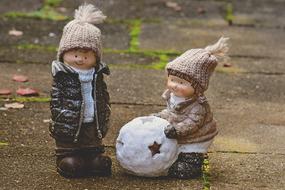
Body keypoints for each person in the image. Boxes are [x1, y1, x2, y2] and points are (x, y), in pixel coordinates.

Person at [49, 3, 111, 178]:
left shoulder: (97, 74)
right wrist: (61, 116)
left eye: (86, 55)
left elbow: (102, 95)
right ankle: (67, 158)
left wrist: (105, 112)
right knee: (70, 150)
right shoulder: (62, 75)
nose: (80, 59)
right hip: (69, 121)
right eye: (75, 54)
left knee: (93, 146)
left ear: (96, 57)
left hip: (93, 120)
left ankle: (92, 158)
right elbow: (56, 99)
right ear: (63, 54)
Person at [156, 37, 229, 179]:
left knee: (189, 152)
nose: (175, 85)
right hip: (179, 133)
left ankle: (194, 163)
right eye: (172, 80)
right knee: (172, 148)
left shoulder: (198, 106)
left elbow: (193, 123)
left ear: (196, 87)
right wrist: (161, 116)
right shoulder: (173, 95)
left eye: (182, 82)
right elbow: (172, 113)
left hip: (197, 136)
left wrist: (177, 130)